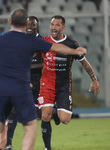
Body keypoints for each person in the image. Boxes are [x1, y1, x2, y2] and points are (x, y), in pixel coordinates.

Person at [0, 8, 87, 150]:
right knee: (30, 126)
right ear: (26, 23)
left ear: (9, 21)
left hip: (2, 89)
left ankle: (3, 145)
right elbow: (57, 48)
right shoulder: (31, 41)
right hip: (22, 89)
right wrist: (75, 51)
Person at [37, 15, 100, 150]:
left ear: (63, 27)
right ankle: (47, 148)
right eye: (52, 24)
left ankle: (56, 112)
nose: (54, 28)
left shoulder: (71, 44)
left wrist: (94, 79)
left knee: (65, 119)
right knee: (45, 115)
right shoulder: (43, 42)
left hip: (63, 85)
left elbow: (84, 62)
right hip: (46, 84)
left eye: (57, 25)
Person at [1, 15, 43, 150]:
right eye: (28, 24)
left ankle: (43, 144)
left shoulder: (43, 41)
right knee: (13, 110)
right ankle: (8, 143)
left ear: (37, 26)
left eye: (33, 24)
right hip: (21, 80)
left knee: (40, 113)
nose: (30, 26)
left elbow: (46, 63)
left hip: (39, 81)